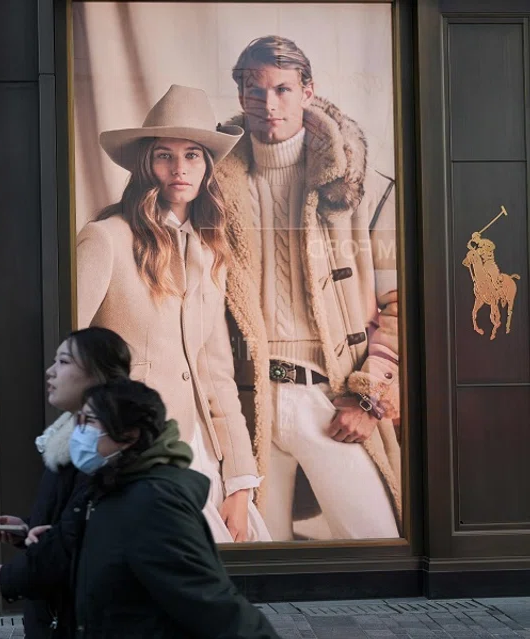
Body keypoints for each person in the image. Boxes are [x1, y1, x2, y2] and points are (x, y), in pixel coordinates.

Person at [214, 35, 401, 540]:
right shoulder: (211, 186)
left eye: (283, 89)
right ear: (241, 98)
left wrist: (367, 397)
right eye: (255, 91)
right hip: (244, 405)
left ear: (308, 91)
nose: (269, 104)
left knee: (377, 542)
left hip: (331, 397)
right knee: (255, 564)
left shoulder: (363, 188)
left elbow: (401, 306)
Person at [77, 84, 270, 543]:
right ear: (147, 163)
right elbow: (67, 357)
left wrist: (241, 482)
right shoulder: (105, 239)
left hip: (203, 453)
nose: (179, 169)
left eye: (193, 156)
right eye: (164, 155)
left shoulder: (208, 251)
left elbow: (217, 373)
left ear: (207, 167)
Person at [65, 378, 279, 638]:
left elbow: (212, 602)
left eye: (89, 422)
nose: (79, 433)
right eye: (79, 420)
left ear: (129, 435)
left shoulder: (154, 506)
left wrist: (240, 485)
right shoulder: (104, 491)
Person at [0, 327, 131, 638]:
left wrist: (12, 576)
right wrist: (25, 530)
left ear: (99, 374)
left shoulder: (104, 449)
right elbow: (68, 524)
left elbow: (78, 544)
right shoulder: (67, 443)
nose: (51, 372)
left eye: (64, 362)